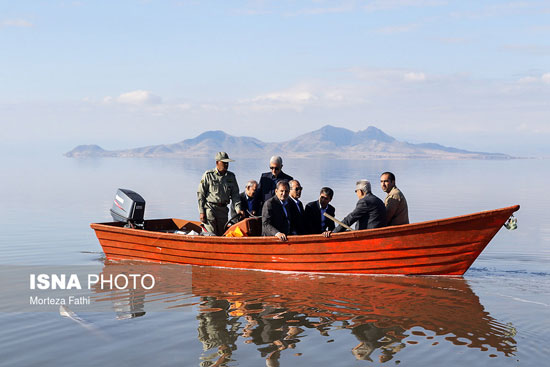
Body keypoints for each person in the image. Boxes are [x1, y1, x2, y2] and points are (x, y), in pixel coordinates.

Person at [197, 152, 244, 235]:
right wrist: (202, 212)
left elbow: (235, 195)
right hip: (210, 209)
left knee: (222, 234)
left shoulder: (231, 177)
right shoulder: (208, 175)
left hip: (223, 211)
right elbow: (201, 194)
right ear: (217, 162)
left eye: (227, 163)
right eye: (224, 163)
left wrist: (238, 209)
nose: (226, 165)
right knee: (211, 234)